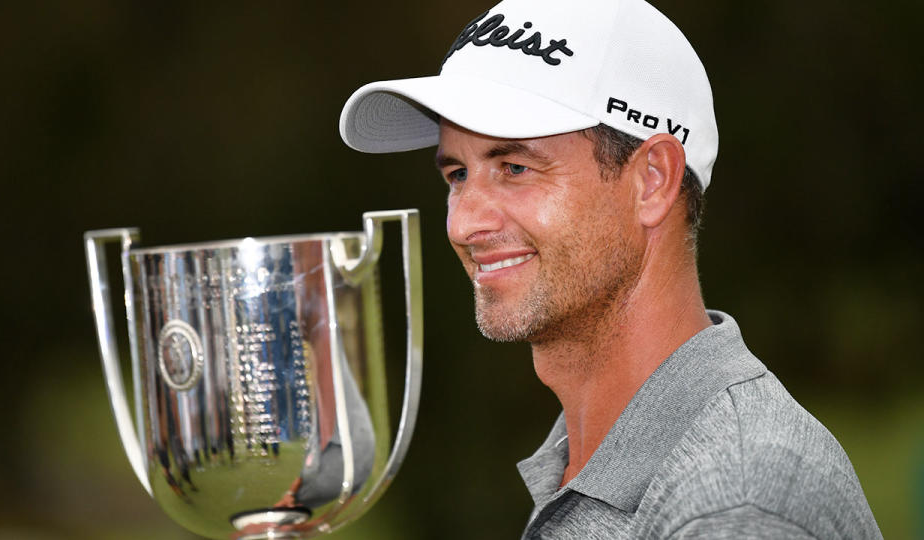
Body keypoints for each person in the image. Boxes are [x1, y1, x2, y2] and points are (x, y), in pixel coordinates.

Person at [338, 0, 881, 537]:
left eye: (515, 167)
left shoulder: (735, 505)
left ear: (652, 181)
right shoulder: (588, 457)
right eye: (458, 174)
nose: (464, 225)